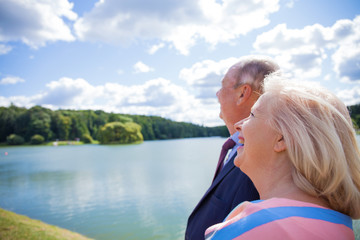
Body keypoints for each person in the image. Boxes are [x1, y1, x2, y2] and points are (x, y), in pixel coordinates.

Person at [205, 73, 360, 239]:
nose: (238, 125)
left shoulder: (252, 228)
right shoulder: (340, 224)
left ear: (282, 138)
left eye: (252, 115)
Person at [185, 56, 280, 240]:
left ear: (242, 93)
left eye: (222, 87)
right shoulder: (240, 148)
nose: (217, 94)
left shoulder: (263, 159)